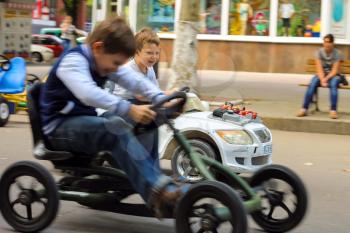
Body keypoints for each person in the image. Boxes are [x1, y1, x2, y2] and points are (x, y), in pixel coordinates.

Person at [40, 17, 189, 216]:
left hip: (82, 123)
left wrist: (162, 98)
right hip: (59, 129)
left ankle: (154, 179)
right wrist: (128, 108)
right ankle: (157, 191)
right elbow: (88, 93)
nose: (116, 68)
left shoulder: (102, 60)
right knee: (115, 127)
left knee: (150, 120)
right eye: (116, 63)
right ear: (98, 47)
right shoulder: (73, 61)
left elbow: (134, 81)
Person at [111, 27, 161, 169]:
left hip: (138, 104)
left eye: (157, 53)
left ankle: (153, 167)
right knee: (148, 120)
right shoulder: (129, 69)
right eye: (149, 53)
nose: (154, 57)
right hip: (123, 108)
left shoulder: (149, 69)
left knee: (158, 120)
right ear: (137, 52)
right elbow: (142, 95)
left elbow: (155, 91)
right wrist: (167, 95)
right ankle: (143, 167)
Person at [297, 34, 343, 119]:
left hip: (334, 75)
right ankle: (304, 109)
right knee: (313, 83)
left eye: (329, 42)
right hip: (322, 74)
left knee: (333, 84)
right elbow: (319, 68)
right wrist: (322, 79)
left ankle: (333, 111)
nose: (327, 44)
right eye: (325, 42)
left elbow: (335, 70)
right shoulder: (319, 52)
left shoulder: (338, 53)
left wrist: (326, 79)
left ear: (333, 43)